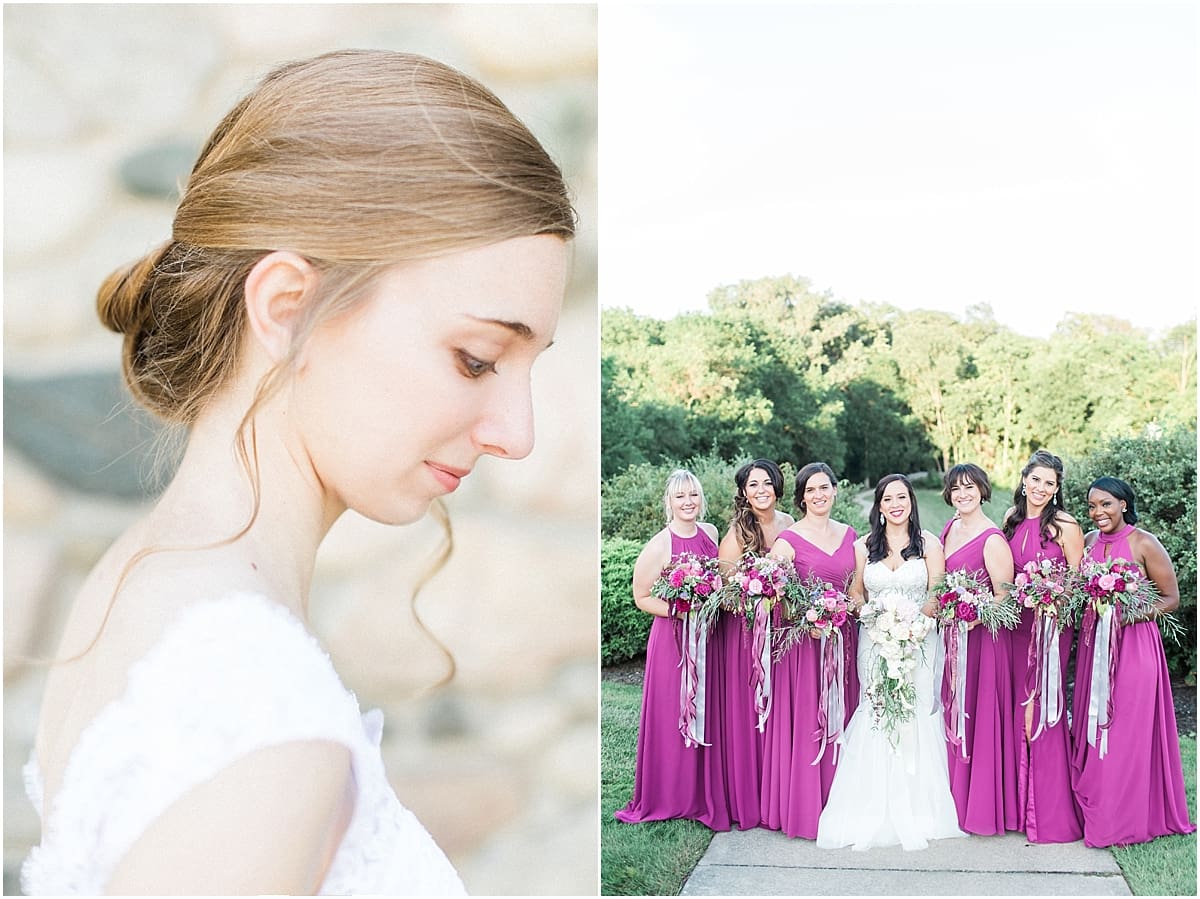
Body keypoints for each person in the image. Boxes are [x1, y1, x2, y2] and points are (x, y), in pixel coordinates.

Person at [20, 49, 576, 896]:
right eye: (475, 358)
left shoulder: (145, 578)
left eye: (526, 365)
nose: (519, 433)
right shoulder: (265, 722)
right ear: (287, 308)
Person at [816, 474, 964, 850]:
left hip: (919, 640)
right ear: (879, 506)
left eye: (902, 497)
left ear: (911, 502)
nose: (896, 504)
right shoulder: (864, 546)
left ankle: (919, 805)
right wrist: (875, 618)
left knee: (914, 709)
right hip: (875, 639)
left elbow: (936, 590)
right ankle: (871, 802)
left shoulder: (930, 543)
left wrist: (912, 624)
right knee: (877, 709)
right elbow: (855, 591)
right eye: (888, 498)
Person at [1069, 476, 1194, 846]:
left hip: (1135, 647)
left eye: (1106, 504)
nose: (1098, 513)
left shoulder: (1144, 543)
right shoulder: (1089, 543)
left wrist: (1127, 615)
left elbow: (1171, 598)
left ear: (1124, 503)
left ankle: (1127, 815)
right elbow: (1079, 591)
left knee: (1126, 729)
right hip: (1095, 647)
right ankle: (1099, 804)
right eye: (1092, 506)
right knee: (1096, 725)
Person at [615, 470, 731, 830]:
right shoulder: (660, 545)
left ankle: (704, 791)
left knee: (708, 709)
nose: (688, 502)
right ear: (669, 502)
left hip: (711, 639)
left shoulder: (711, 533)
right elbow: (642, 597)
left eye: (693, 495)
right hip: (674, 642)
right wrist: (683, 610)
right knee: (674, 712)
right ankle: (671, 794)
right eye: (680, 496)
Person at [760, 462, 858, 839]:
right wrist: (808, 618)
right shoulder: (787, 541)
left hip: (842, 641)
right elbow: (773, 596)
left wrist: (844, 609)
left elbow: (856, 589)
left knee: (842, 717)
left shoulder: (852, 536)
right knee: (808, 722)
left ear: (835, 490)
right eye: (811, 490)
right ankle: (804, 810)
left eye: (825, 488)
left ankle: (841, 803)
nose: (818, 495)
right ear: (802, 497)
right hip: (803, 647)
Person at [1000, 450, 1084, 842]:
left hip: (1051, 628)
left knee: (1042, 707)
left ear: (1057, 488)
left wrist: (1051, 598)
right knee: (1015, 707)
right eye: (1036, 480)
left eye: (1049, 483)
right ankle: (1015, 808)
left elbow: (1079, 584)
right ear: (1024, 479)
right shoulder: (1010, 521)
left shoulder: (1066, 525)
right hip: (1016, 626)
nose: (1041, 488)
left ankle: (1046, 812)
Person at [714, 459, 794, 829]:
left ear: (777, 487)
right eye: (753, 484)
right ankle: (748, 798)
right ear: (744, 492)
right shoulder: (735, 536)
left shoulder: (791, 525)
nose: (761, 490)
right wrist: (755, 600)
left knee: (779, 710)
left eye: (767, 483)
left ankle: (777, 793)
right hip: (746, 635)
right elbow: (726, 594)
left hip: (782, 631)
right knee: (750, 712)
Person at [939, 463, 1018, 835]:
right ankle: (951, 799)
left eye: (970, 487)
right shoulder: (950, 528)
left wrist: (975, 614)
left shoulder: (992, 539)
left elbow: (1005, 598)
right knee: (951, 713)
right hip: (953, 642)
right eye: (956, 488)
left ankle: (981, 806)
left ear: (983, 491)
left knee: (976, 717)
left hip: (983, 645)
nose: (963, 494)